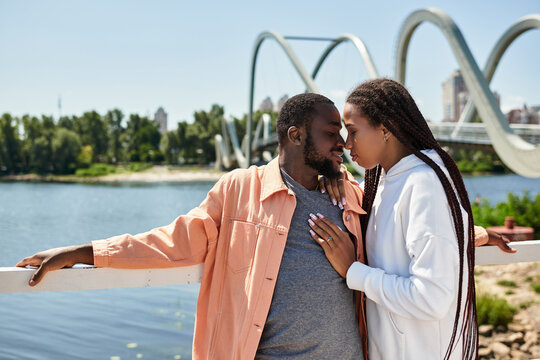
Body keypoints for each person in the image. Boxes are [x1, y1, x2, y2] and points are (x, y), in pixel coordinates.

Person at [16, 93, 368, 360]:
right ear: (295, 135)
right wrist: (83, 252)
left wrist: (341, 174)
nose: (343, 143)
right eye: (331, 132)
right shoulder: (239, 190)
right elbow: (172, 242)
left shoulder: (349, 193)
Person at [308, 78, 514, 360]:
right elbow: (410, 241)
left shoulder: (424, 183)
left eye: (353, 131)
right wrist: (471, 234)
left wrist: (353, 271)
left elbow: (432, 297)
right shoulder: (387, 181)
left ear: (385, 129)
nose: (345, 143)